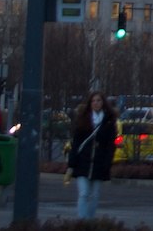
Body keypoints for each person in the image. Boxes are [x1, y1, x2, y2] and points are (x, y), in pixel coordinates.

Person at [66, 91, 118, 219]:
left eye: (99, 100)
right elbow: (76, 144)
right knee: (83, 194)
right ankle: (82, 221)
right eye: (93, 101)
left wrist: (107, 163)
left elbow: (110, 146)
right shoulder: (83, 120)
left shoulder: (109, 123)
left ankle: (90, 221)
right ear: (90, 103)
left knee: (95, 195)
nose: (96, 103)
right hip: (82, 163)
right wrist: (71, 164)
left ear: (103, 103)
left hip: (99, 164)